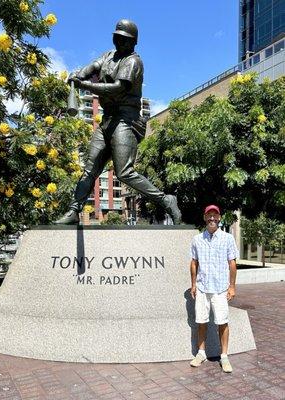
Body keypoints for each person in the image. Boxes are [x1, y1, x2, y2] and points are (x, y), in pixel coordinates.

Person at [55, 19, 181, 225]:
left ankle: (166, 200)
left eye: (125, 39)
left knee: (124, 173)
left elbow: (117, 88)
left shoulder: (133, 61)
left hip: (126, 119)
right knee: (89, 169)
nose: (120, 42)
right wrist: (80, 74)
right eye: (117, 37)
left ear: (133, 42)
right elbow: (94, 66)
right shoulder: (109, 56)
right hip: (107, 121)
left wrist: (85, 85)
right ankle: (73, 211)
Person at [189, 204, 238, 373]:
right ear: (204, 217)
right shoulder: (197, 239)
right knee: (201, 322)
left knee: (222, 322)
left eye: (214, 215)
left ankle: (224, 356)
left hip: (220, 289)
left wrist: (232, 286)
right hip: (202, 288)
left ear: (219, 218)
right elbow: (194, 263)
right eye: (209, 215)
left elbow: (232, 263)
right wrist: (194, 284)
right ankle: (201, 353)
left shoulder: (227, 238)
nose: (212, 218)